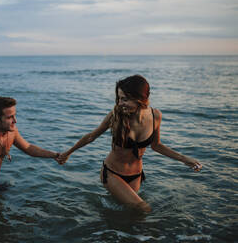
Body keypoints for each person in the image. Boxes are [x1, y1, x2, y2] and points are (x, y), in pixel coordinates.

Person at [57, 75, 202, 212]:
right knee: (143, 209)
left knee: (129, 216)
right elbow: (91, 137)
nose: (120, 103)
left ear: (140, 99)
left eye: (124, 99)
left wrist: (185, 159)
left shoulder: (155, 115)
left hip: (136, 175)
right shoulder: (116, 115)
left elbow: (156, 145)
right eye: (119, 99)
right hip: (112, 173)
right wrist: (68, 153)